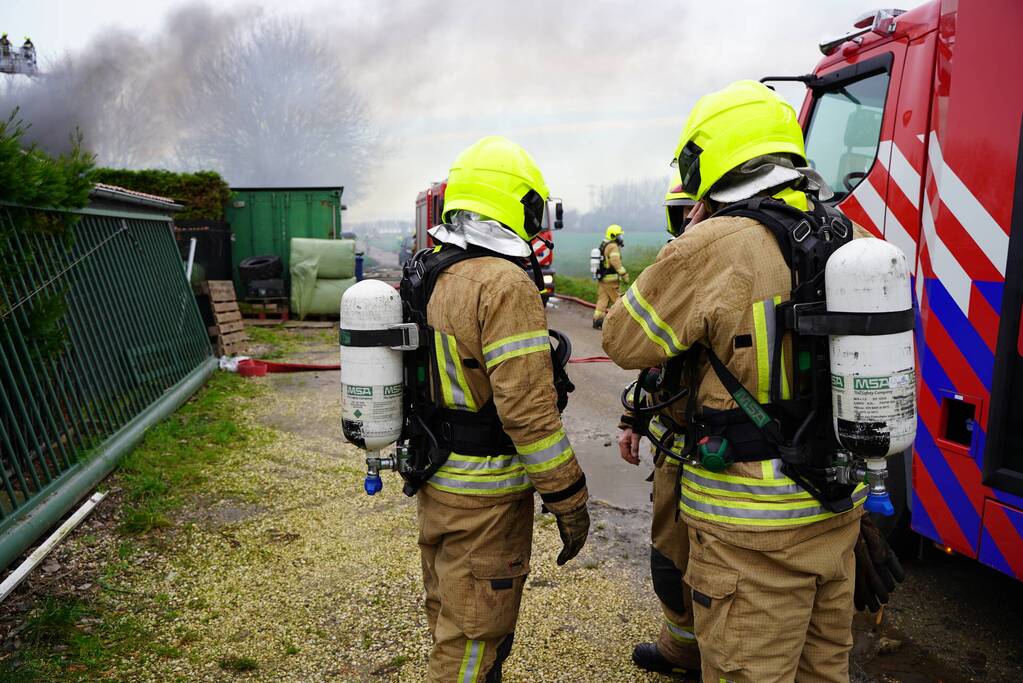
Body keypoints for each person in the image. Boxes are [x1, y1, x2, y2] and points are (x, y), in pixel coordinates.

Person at [603, 80, 901, 683]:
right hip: (837, 510)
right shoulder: (853, 236)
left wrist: (687, 244)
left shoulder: (713, 244)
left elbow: (622, 341)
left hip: (750, 532)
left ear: (707, 160)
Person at [412, 136, 590, 682]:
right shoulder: (505, 283)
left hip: (440, 479)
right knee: (475, 637)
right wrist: (569, 497)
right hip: (486, 494)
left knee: (450, 613)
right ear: (518, 205)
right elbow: (528, 414)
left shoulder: (431, 269)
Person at [615, 174, 700, 679]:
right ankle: (682, 650)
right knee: (670, 564)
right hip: (675, 451)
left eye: (695, 210)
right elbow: (652, 361)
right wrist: (633, 419)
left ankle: (705, 656)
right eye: (680, 214)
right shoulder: (677, 271)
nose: (689, 224)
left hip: (720, 454)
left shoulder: (726, 266)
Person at [592, 224, 628, 329]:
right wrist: (624, 273)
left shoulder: (604, 244)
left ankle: (597, 320)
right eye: (619, 236)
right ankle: (621, 322)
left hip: (603, 278)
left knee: (602, 300)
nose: (621, 239)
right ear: (613, 236)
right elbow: (615, 261)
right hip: (611, 279)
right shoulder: (613, 246)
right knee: (618, 300)